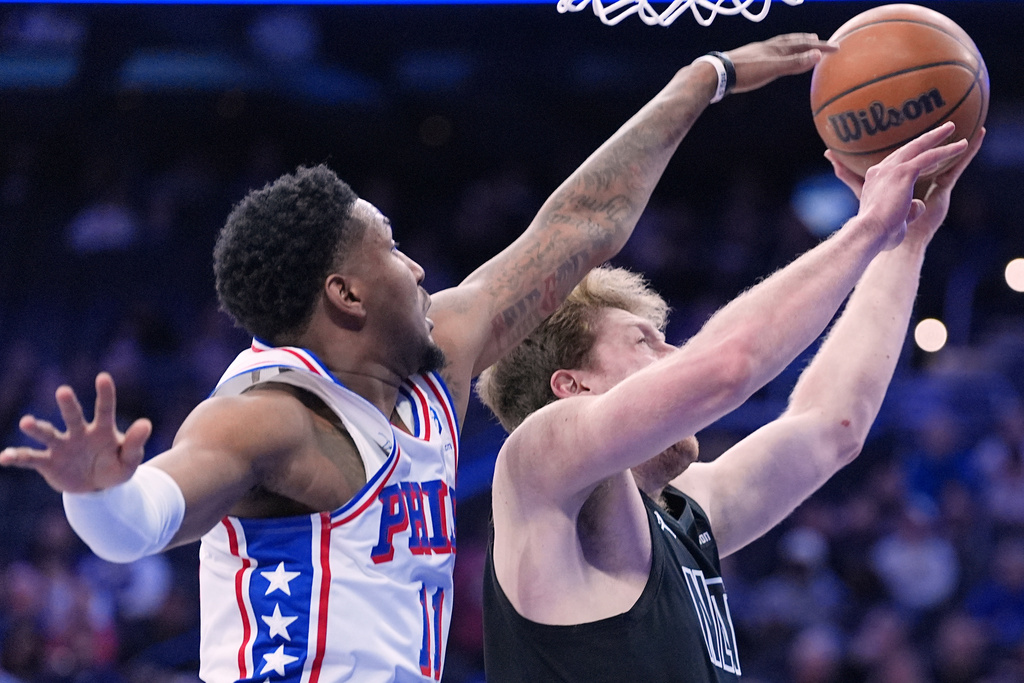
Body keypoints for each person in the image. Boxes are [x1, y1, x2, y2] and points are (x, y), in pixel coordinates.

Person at [1, 34, 834, 682]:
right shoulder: (272, 415)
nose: (418, 266)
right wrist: (98, 492)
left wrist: (703, 78)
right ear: (346, 295)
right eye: (392, 249)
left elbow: (579, 228)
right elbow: (144, 522)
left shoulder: (438, 356)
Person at [475, 121, 984, 681]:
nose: (674, 357)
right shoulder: (537, 465)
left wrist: (905, 240)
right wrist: (865, 230)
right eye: (644, 342)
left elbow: (831, 427)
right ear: (572, 387)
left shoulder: (681, 510)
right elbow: (726, 365)